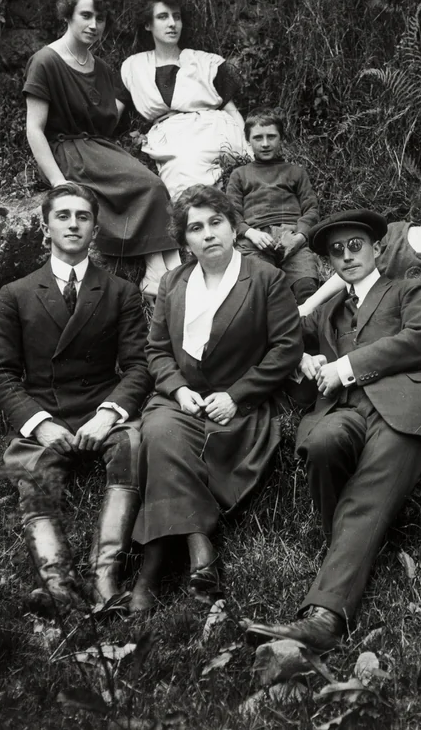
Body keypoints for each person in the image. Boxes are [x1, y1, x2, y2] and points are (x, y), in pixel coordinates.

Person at [244, 209, 421, 651]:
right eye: (336, 252)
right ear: (328, 265)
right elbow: (282, 335)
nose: (347, 255)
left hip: (400, 408)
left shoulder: (406, 288)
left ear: (377, 249)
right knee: (320, 442)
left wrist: (346, 366)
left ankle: (325, 617)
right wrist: (307, 360)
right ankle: (352, 550)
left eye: (355, 246)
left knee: (365, 496)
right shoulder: (328, 312)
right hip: (340, 411)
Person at [129, 185, 303, 611]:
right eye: (195, 228)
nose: (208, 234)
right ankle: (198, 548)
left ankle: (150, 571)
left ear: (231, 227)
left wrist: (237, 395)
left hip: (237, 407)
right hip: (182, 399)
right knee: (160, 430)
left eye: (216, 223)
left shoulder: (264, 278)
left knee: (174, 448)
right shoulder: (173, 281)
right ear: (184, 240)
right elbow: (156, 351)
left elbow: (286, 347)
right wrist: (179, 389)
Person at [0, 183, 150, 614]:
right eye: (63, 216)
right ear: (46, 227)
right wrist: (38, 423)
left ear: (95, 229)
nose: (73, 224)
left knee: (133, 446)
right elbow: (0, 373)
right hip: (46, 410)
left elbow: (138, 367)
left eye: (82, 217)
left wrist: (109, 413)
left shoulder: (120, 292)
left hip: (100, 406)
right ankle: (59, 586)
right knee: (31, 476)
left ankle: (104, 577)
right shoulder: (16, 294)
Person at [23, 0, 179, 297]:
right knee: (146, 185)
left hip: (96, 147)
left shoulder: (103, 69)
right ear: (68, 15)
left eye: (101, 18)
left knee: (151, 182)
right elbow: (34, 129)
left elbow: (105, 121)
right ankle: (155, 271)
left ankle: (163, 269)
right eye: (86, 15)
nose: (94, 25)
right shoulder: (46, 61)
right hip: (65, 150)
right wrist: (58, 182)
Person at [299, 161, 421, 330]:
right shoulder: (394, 232)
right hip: (358, 316)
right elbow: (351, 269)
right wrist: (309, 304)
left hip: (406, 329)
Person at [120, 0, 251, 199]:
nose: (172, 24)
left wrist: (248, 144)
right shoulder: (134, 67)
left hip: (212, 128)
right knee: (183, 170)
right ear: (148, 24)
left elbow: (233, 112)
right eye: (163, 17)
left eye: (176, 17)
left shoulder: (205, 62)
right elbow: (110, 114)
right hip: (170, 137)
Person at [226, 108, 321, 302]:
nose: (265, 143)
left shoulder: (295, 172)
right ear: (248, 141)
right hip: (255, 240)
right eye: (258, 138)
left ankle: (308, 328)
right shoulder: (240, 174)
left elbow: (311, 208)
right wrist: (250, 232)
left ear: (281, 138)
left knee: (307, 289)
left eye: (271, 137)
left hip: (291, 238)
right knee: (258, 290)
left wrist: (300, 237)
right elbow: (231, 212)